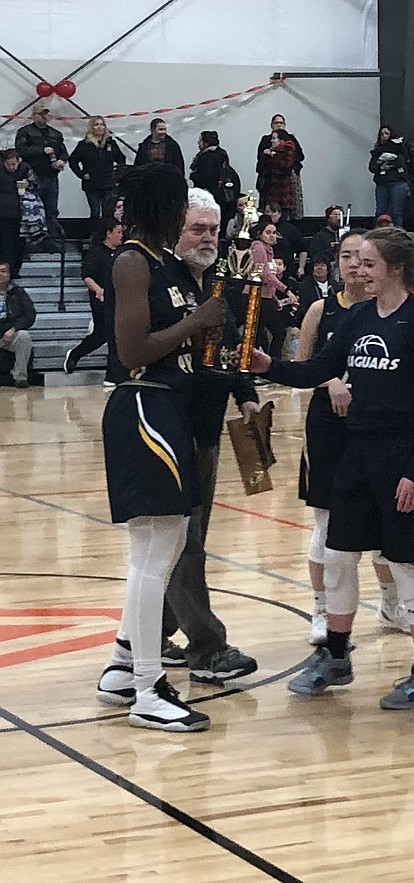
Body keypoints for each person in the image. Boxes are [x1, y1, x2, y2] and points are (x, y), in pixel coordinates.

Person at [247, 227, 414, 710]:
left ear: (395, 268)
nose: (360, 270)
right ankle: (336, 656)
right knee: (338, 555)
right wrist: (266, 366)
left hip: (404, 457)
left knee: (404, 562)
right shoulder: (359, 317)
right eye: (356, 262)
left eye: (369, 263)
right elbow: (319, 368)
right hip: (357, 453)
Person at [93, 162, 225, 731]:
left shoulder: (166, 264)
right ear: (166, 210)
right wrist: (198, 321)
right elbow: (132, 350)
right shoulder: (131, 263)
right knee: (153, 554)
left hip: (171, 408)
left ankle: (125, 665)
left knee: (161, 553)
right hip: (143, 406)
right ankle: (148, 689)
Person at [160, 188, 260, 684]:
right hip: (166, 430)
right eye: (198, 229)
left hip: (208, 427)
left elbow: (233, 344)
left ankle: (152, 633)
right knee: (186, 541)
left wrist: (245, 392)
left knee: (189, 535)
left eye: (214, 230)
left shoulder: (220, 284)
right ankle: (206, 647)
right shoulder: (158, 279)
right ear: (175, 230)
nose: (208, 239)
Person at [293, 231, 412, 642]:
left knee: (382, 520)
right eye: (345, 257)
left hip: (376, 428)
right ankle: (322, 610)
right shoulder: (321, 309)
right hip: (328, 426)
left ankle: (390, 602)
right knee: (326, 523)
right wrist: (330, 382)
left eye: (360, 258)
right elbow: (303, 365)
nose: (352, 265)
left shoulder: (395, 311)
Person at [64, 218, 122, 377]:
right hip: (101, 300)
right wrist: (99, 290)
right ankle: (75, 354)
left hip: (119, 299)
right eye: (118, 232)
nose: (121, 235)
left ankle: (113, 373)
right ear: (108, 234)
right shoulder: (96, 252)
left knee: (115, 334)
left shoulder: (122, 252)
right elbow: (86, 275)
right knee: (102, 333)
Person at [14, 103, 68, 248]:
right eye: (40, 114)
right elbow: (21, 150)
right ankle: (31, 242)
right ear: (33, 115)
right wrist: (41, 150)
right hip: (31, 178)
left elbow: (63, 151)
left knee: (51, 210)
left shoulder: (56, 134)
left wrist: (62, 160)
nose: (43, 117)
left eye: (46, 114)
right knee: (31, 211)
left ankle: (51, 241)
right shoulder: (24, 132)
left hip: (51, 177)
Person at [68, 116, 126, 223]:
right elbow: (73, 160)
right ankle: (94, 235)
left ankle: (108, 235)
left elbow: (121, 158)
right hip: (92, 184)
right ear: (91, 128)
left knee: (108, 212)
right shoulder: (84, 144)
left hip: (108, 183)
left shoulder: (111, 143)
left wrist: (118, 175)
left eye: (102, 124)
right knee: (95, 211)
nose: (99, 127)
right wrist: (81, 174)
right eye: (96, 125)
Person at [250, 219, 295, 359]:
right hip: (255, 296)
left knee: (275, 333)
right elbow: (264, 275)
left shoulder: (269, 251)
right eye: (268, 232)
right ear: (259, 234)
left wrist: (274, 298)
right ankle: (262, 366)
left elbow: (268, 279)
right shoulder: (258, 248)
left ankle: (269, 366)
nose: (272, 236)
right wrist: (286, 290)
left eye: (274, 233)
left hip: (266, 297)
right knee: (263, 334)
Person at [255, 114, 305, 216]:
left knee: (288, 209)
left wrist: (277, 155)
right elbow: (260, 158)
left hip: (286, 180)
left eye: (281, 123)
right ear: (271, 125)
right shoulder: (266, 139)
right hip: (269, 179)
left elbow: (300, 156)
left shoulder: (291, 140)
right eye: (276, 123)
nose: (279, 125)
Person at [188, 131, 237, 226]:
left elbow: (204, 177)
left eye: (200, 141)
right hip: (223, 194)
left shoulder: (205, 157)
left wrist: (193, 176)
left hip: (210, 194)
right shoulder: (222, 153)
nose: (198, 143)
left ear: (205, 143)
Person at [0, 261, 35, 388]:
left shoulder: (18, 292)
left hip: (9, 335)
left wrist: (14, 329)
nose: (1, 274)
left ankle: (20, 377)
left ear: (9, 275)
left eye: (4, 271)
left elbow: (30, 314)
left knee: (24, 336)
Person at [0, 149, 30, 279]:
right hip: (4, 214)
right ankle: (6, 272)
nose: (11, 167)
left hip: (22, 215)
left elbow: (38, 186)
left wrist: (29, 185)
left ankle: (15, 270)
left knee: (19, 245)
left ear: (19, 162)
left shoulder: (26, 170)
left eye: (14, 164)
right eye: (8, 164)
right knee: (6, 245)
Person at [370, 124, 409, 224]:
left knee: (396, 212)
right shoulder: (378, 150)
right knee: (380, 212)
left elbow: (401, 161)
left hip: (397, 182)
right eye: (382, 134)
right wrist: (380, 167)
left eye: (386, 133)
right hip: (382, 184)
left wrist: (384, 165)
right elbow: (371, 167)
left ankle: (396, 234)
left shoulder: (399, 147)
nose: (384, 136)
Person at [257, 129, 297, 217]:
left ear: (281, 140)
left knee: (282, 217)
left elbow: (286, 166)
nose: (272, 141)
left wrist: (273, 155)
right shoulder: (271, 151)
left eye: (274, 138)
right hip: (270, 190)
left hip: (281, 191)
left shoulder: (287, 151)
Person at [264, 202, 307, 278]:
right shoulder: (259, 229)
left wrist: (301, 268)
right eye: (267, 212)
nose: (270, 214)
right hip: (265, 268)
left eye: (273, 211)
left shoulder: (290, 229)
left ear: (280, 214)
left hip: (286, 270)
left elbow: (302, 249)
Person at [308, 204, 345, 271]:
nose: (339, 218)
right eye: (335, 215)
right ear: (328, 218)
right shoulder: (320, 236)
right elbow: (315, 256)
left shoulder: (346, 235)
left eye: (340, 215)